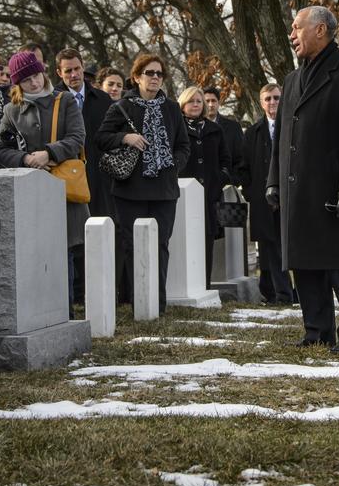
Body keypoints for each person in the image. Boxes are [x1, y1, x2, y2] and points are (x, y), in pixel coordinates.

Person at [266, 6, 339, 352]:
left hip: (334, 190)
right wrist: (273, 181)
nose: (292, 35)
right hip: (297, 190)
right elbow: (281, 138)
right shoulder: (291, 80)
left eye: (297, 28)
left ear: (320, 30)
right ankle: (317, 331)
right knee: (306, 264)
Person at [0, 51, 88, 313]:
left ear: (43, 72)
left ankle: (64, 310)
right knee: (35, 252)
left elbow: (77, 138)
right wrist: (25, 158)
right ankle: (38, 310)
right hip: (31, 189)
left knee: (64, 251)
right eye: (26, 80)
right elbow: (0, 148)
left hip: (63, 188)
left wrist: (49, 152)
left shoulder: (65, 100)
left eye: (36, 76)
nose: (34, 83)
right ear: (17, 83)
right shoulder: (11, 110)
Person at [95, 52, 189, 310]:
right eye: (150, 73)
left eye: (159, 73)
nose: (155, 78)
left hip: (164, 189)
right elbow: (101, 138)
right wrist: (125, 138)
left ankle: (157, 304)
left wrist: (173, 164)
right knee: (132, 245)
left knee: (160, 245)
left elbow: (183, 145)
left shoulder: (171, 108)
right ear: (137, 77)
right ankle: (138, 302)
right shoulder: (122, 107)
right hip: (129, 190)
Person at [54, 48, 113, 300]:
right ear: (59, 72)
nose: (74, 74)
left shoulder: (102, 99)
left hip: (99, 175)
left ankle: (99, 287)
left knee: (99, 228)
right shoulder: (53, 99)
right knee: (73, 234)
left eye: (77, 68)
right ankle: (76, 292)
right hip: (67, 175)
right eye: (68, 71)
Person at [243, 83, 294, 305]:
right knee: (268, 247)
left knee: (286, 248)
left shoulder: (293, 127)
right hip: (262, 199)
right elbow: (244, 166)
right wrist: (251, 192)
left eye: (276, 98)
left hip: (290, 198)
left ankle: (287, 292)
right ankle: (276, 293)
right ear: (261, 103)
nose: (272, 103)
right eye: (268, 99)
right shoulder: (253, 132)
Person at [178, 85, 230, 286]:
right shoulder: (176, 128)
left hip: (209, 194)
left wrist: (220, 179)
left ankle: (204, 284)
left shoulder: (215, 130)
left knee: (206, 239)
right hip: (183, 193)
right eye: (191, 101)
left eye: (199, 101)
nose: (196, 104)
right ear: (183, 104)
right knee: (185, 239)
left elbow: (226, 160)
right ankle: (185, 283)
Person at [204, 86, 245, 186]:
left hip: (226, 186)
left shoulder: (233, 127)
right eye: (207, 101)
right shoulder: (192, 127)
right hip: (199, 185)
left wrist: (233, 180)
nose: (210, 105)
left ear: (219, 103)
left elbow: (241, 158)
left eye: (213, 101)